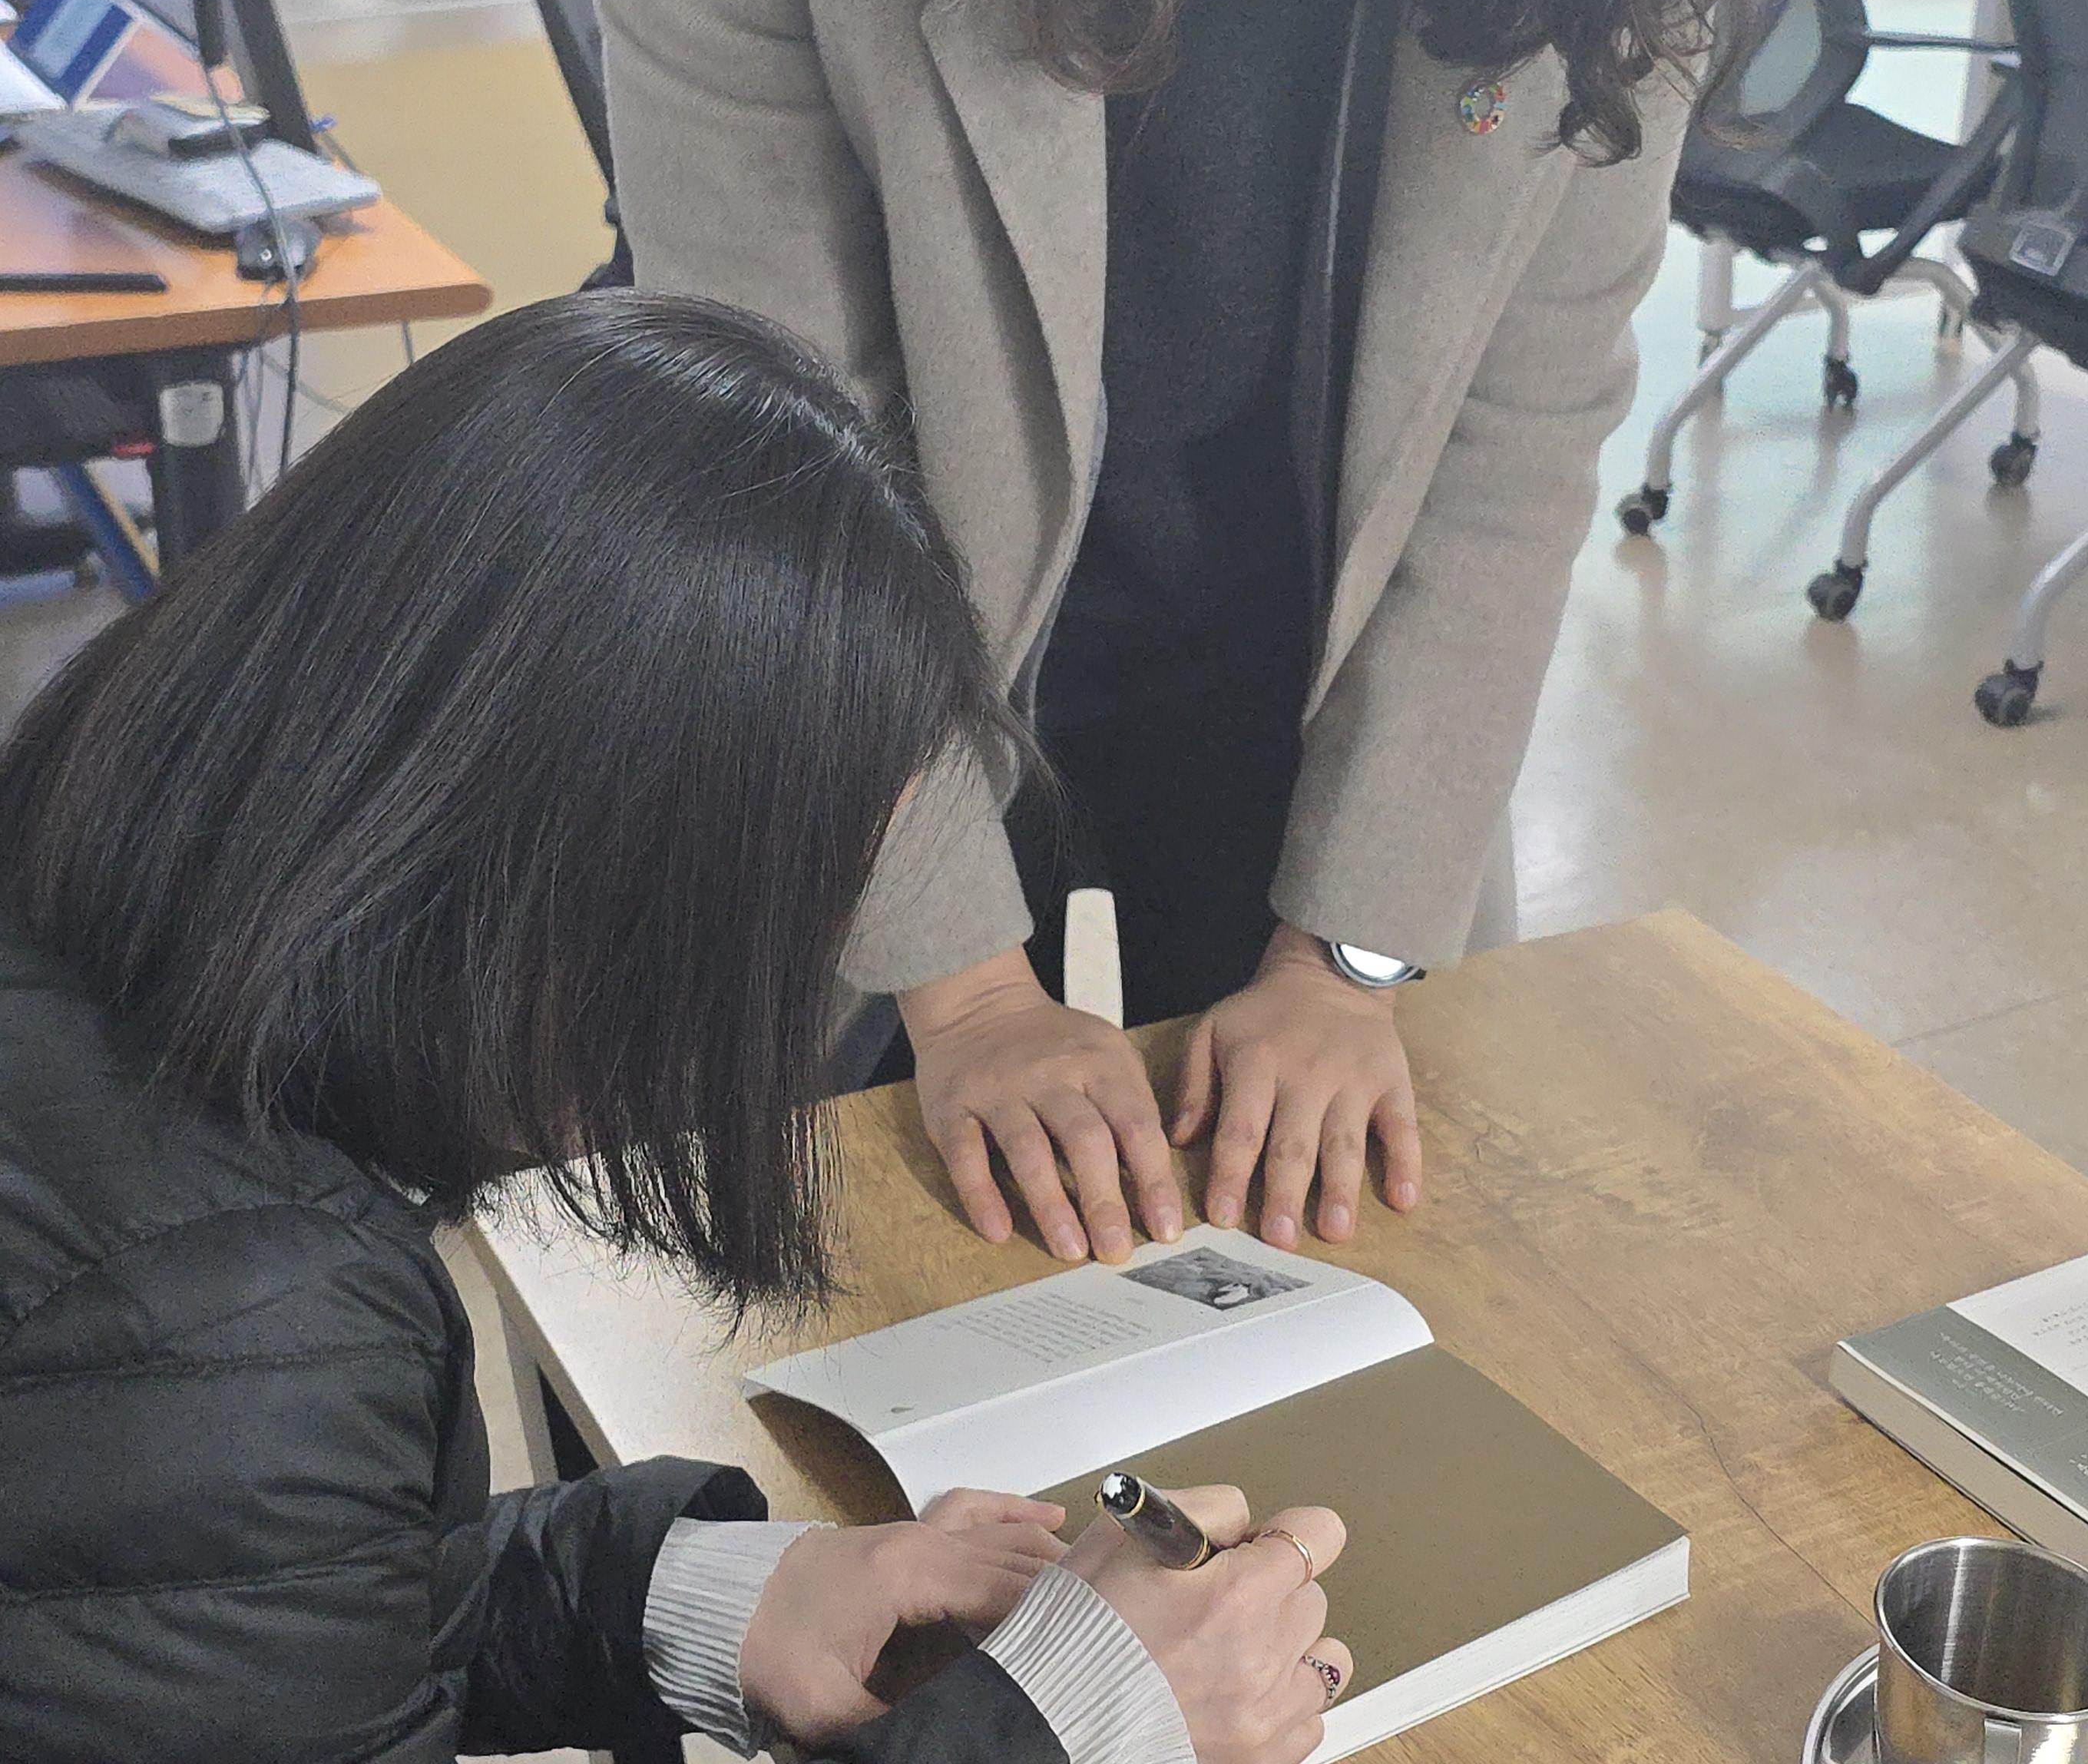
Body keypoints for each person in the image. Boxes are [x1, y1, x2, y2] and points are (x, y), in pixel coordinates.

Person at [599, 0, 1735, 1267]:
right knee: (818, 1281)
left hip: (1298, 689)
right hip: (865, 689)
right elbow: (783, 471)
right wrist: (969, 991)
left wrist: (1345, 954)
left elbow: (1510, 441)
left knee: (1337, 1283)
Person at [0, 293, 1350, 1764]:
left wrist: (676, 1596)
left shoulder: (104, 1003)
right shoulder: (223, 1328)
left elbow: (260, 1605)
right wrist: (1068, 1731)